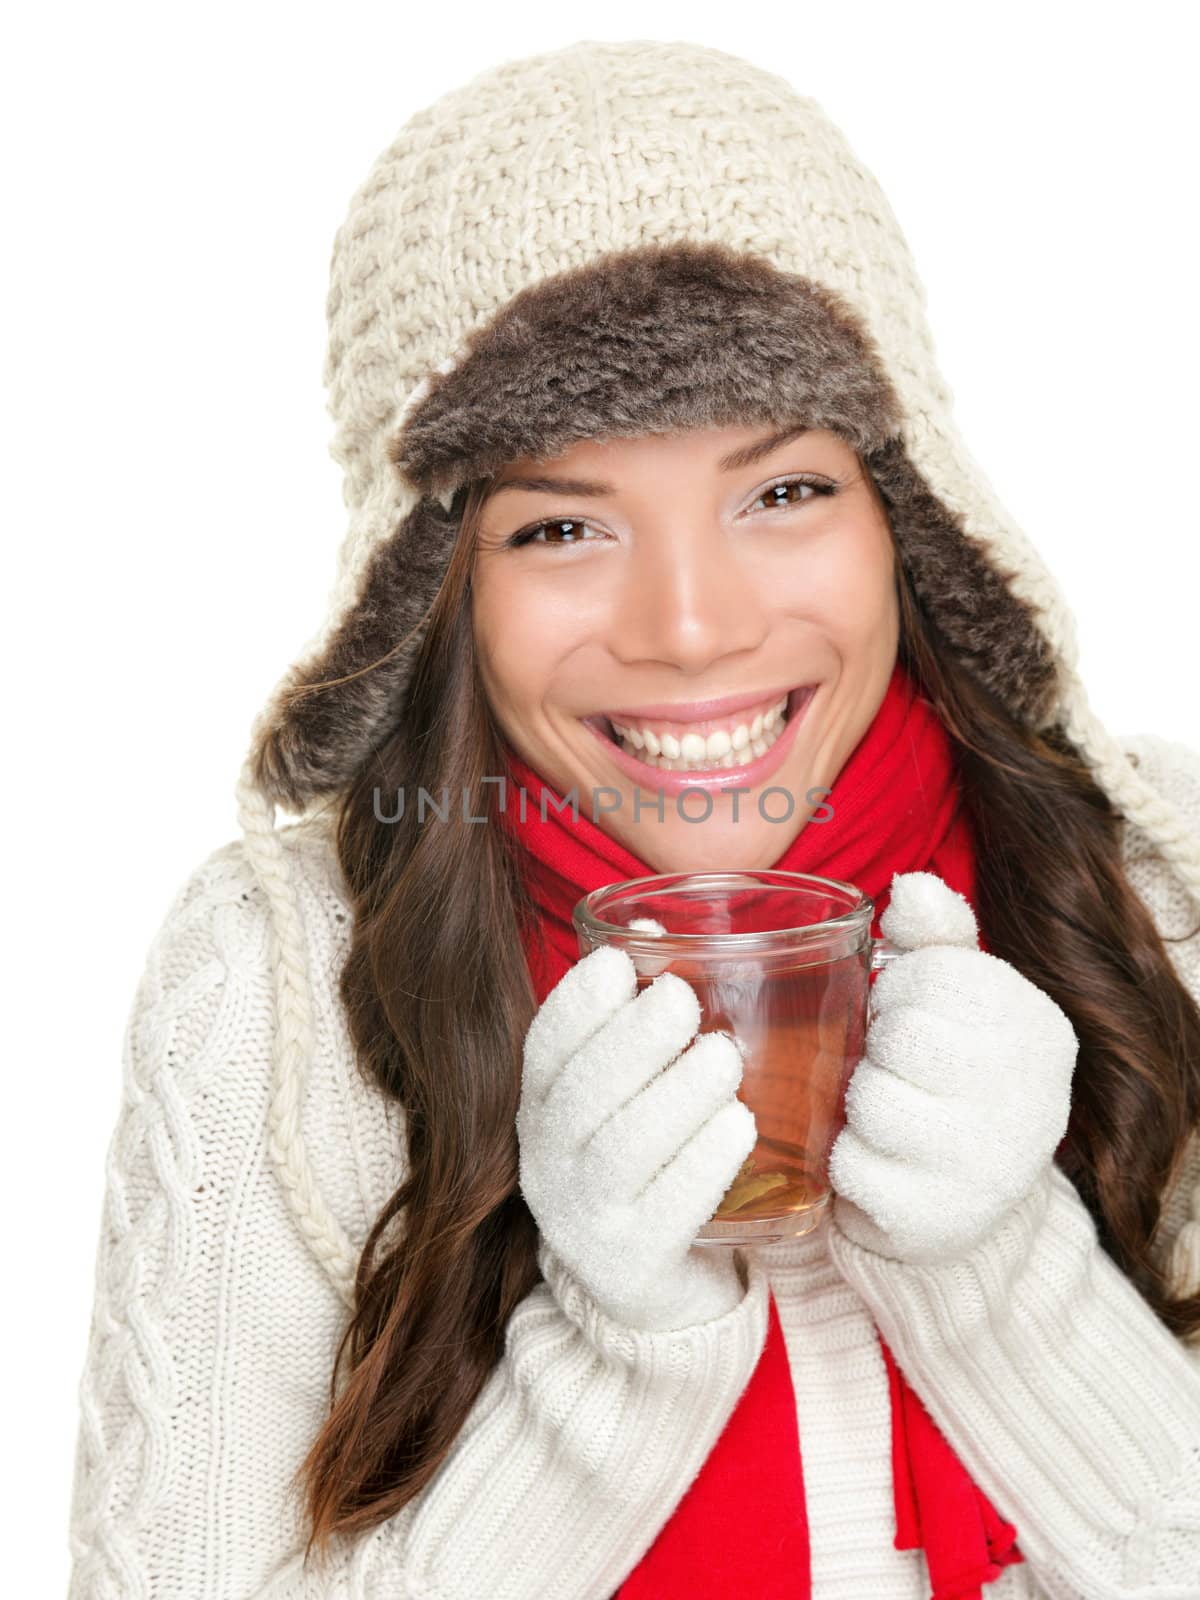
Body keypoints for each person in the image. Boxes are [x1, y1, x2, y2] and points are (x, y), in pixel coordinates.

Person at [66, 37, 1200, 1600]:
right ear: (434, 583)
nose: (690, 626)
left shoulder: (1156, 885)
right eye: (563, 524)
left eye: (783, 492)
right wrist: (621, 1348)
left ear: (909, 517)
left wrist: (1001, 1273)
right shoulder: (274, 983)